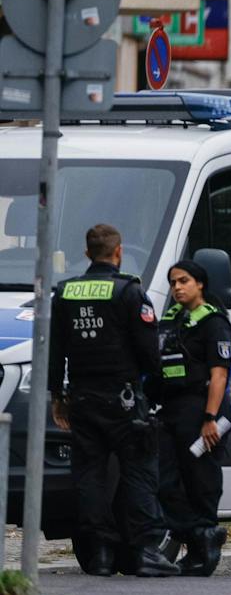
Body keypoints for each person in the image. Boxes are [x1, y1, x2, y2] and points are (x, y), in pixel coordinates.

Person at [49, 224, 178, 577]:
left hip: (82, 399)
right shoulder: (129, 292)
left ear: (87, 253)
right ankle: (145, 551)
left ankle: (101, 553)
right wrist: (156, 391)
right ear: (118, 252)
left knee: (89, 476)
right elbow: (149, 354)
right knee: (139, 473)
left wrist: (58, 396)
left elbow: (55, 350)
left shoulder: (66, 292)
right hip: (124, 401)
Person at [154, 259, 231, 576]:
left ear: (200, 284)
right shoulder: (171, 320)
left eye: (184, 281)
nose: (177, 287)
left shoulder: (214, 322)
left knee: (201, 480)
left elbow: (219, 375)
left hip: (203, 409)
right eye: (173, 282)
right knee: (165, 480)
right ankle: (199, 535)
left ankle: (203, 546)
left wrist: (210, 417)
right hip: (173, 407)